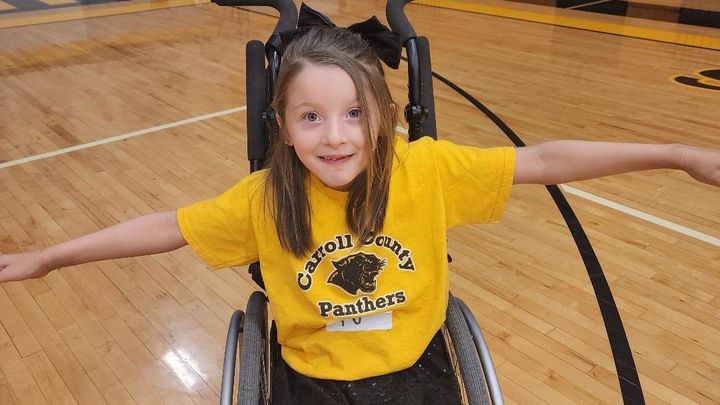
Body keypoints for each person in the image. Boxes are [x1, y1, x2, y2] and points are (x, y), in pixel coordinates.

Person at [1, 20, 719, 405]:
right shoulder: (266, 198)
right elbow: (166, 227)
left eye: (353, 112)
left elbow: (546, 160)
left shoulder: (424, 170)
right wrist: (47, 256)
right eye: (310, 116)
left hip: (416, 369)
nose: (335, 136)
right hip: (309, 378)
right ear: (283, 127)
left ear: (383, 117)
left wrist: (676, 153)